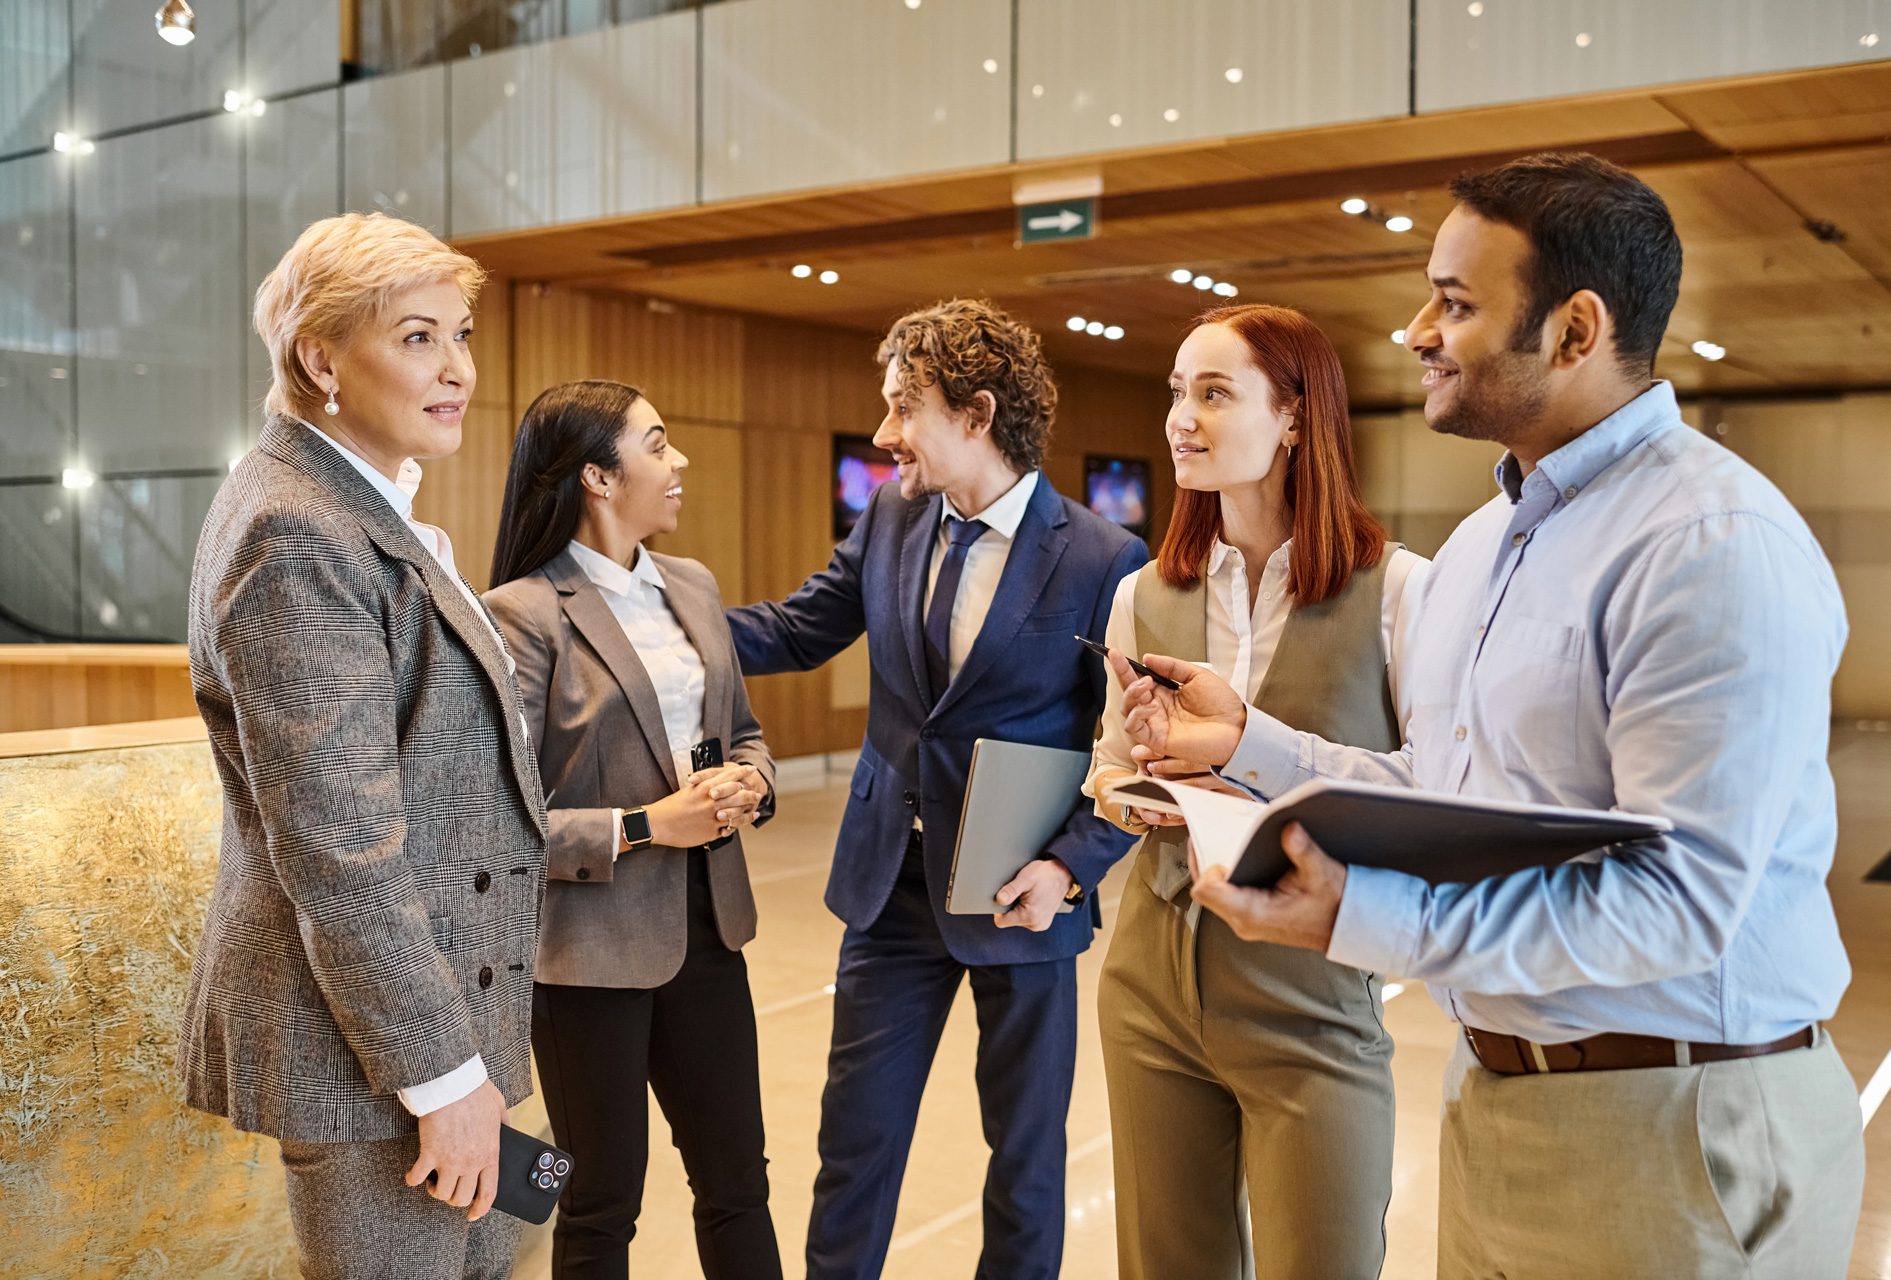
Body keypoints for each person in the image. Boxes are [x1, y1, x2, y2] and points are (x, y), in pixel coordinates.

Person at [1116, 152, 1865, 1280]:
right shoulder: (1485, 546)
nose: (1418, 330)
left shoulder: (1710, 544)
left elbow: (1681, 901)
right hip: (1500, 1096)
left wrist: (1363, 917)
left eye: (1454, 303)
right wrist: (1248, 743)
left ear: (1575, 331)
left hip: (1683, 1112)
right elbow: (1448, 794)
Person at [727, 299, 1148, 1280]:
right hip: (892, 889)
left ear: (976, 413)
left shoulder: (1101, 558)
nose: (883, 436)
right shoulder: (890, 514)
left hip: (1022, 892)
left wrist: (1069, 867)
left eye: (902, 407)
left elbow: (1129, 749)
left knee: (1026, 1166)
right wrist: (650, 611)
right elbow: (796, 629)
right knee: (854, 1148)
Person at [180, 213, 545, 1279]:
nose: (460, 370)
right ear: (320, 357)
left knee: (501, 1250)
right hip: (376, 1058)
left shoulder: (360, 507)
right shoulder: (295, 530)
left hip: (447, 1020)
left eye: (463, 334)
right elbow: (342, 852)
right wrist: (443, 1079)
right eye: (420, 337)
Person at [1086, 303, 1425, 1280]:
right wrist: (1141, 782)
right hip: (1151, 984)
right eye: (1175, 393)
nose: (1180, 418)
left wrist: (1248, 754)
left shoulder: (1399, 589)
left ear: (1293, 416)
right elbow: (1106, 765)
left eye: (1213, 391)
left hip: (1313, 994)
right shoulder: (1143, 589)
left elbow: (1427, 787)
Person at [483, 381, 780, 1279]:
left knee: (739, 1181)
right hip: (586, 955)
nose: (679, 460)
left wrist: (751, 784)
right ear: (599, 480)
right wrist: (650, 824)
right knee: (602, 1200)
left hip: (710, 930)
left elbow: (748, 734)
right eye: (659, 443)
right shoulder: (522, 615)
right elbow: (505, 819)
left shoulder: (692, 585)